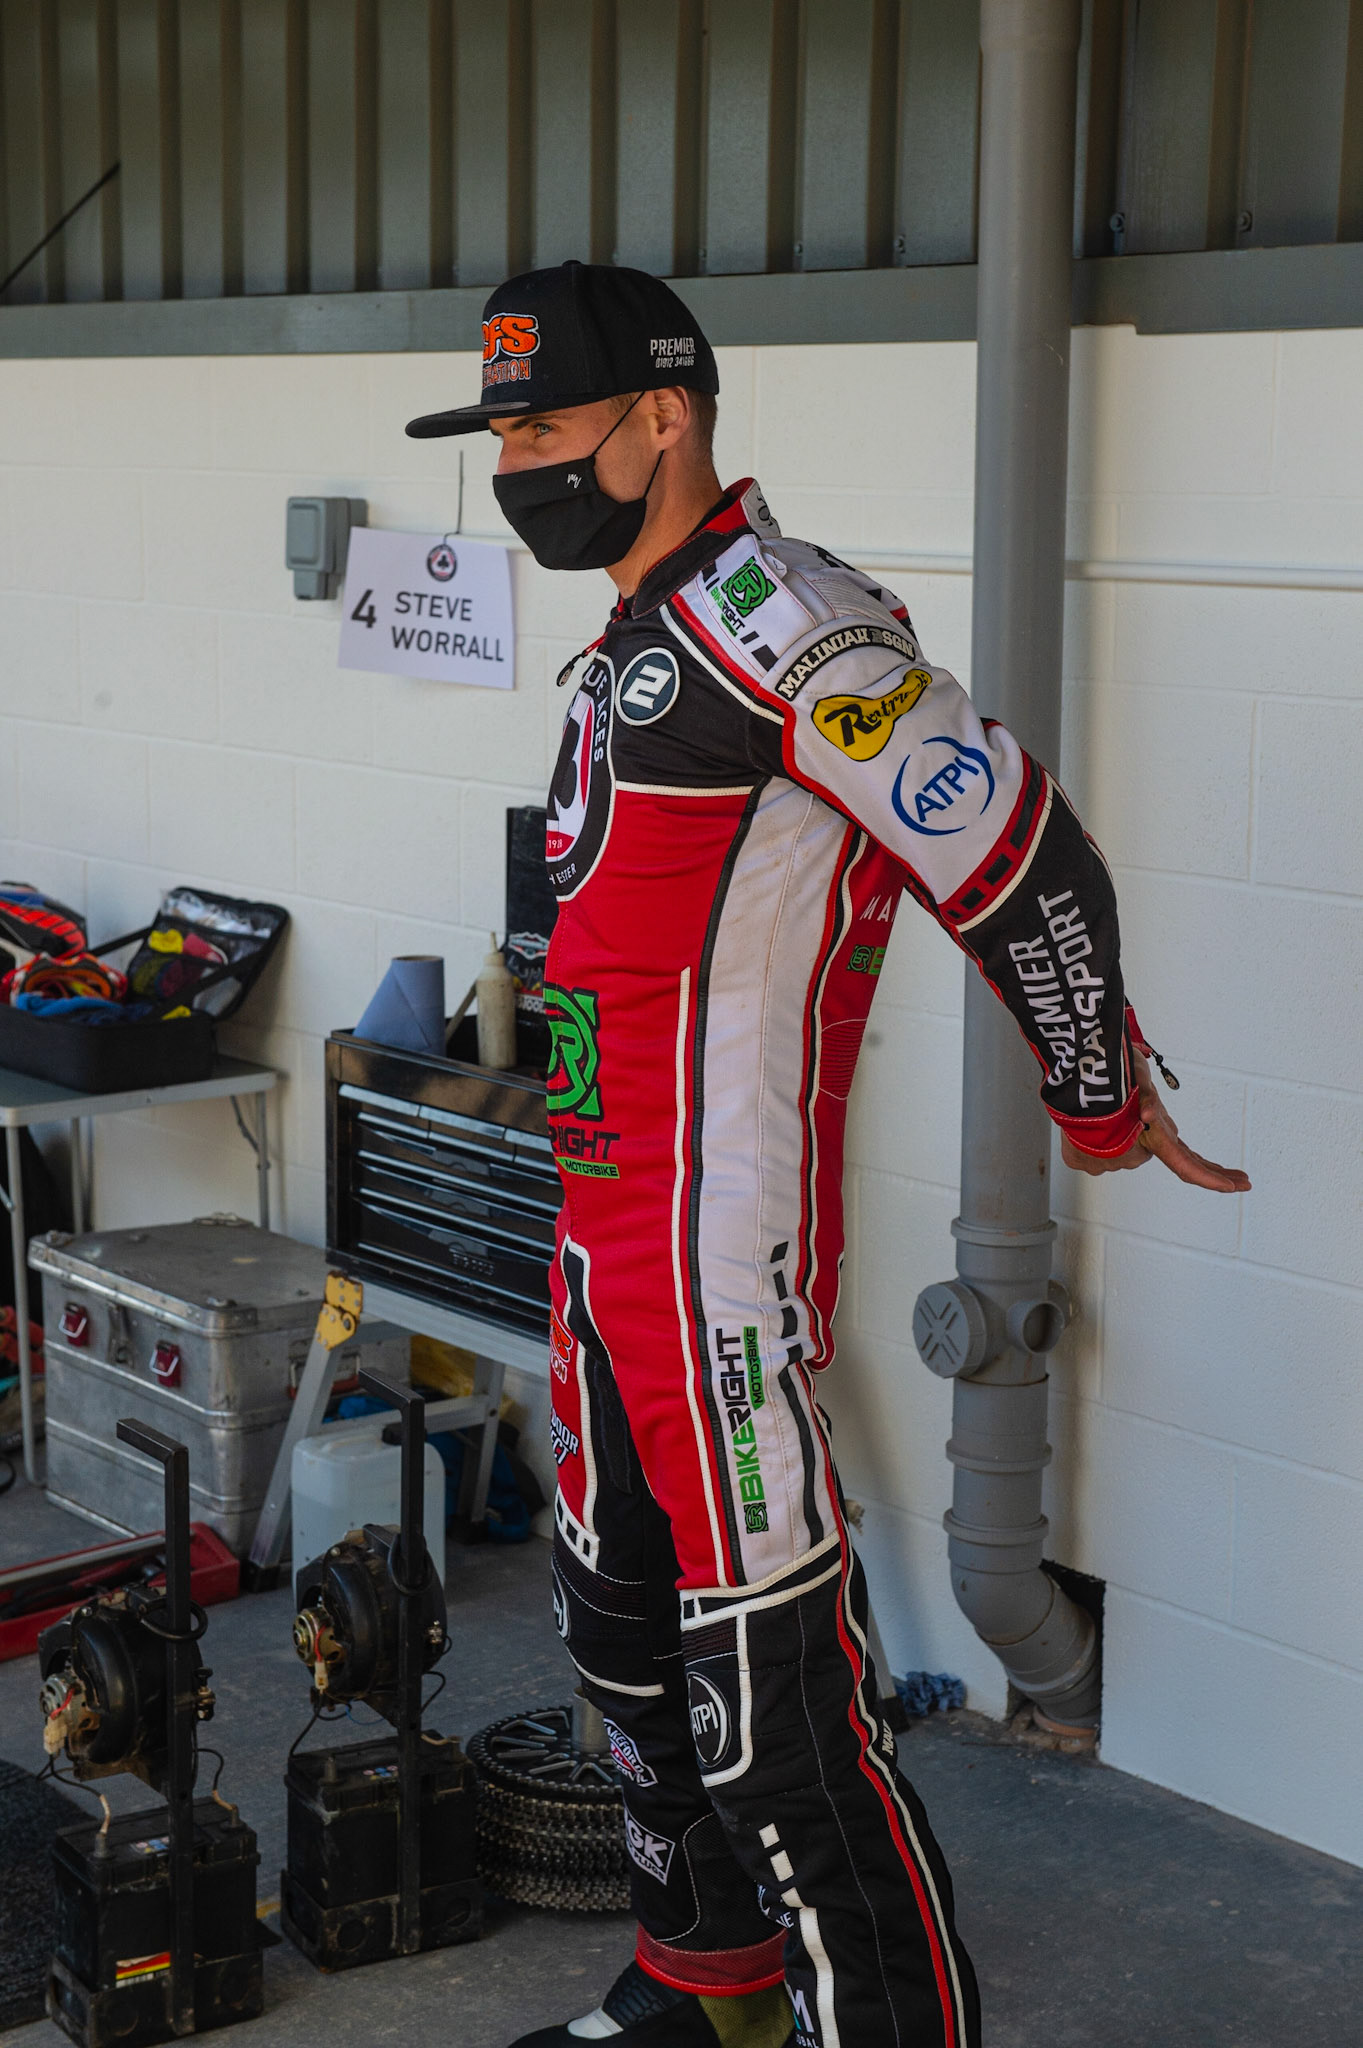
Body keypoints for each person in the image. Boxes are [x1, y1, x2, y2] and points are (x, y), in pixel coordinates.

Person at [406, 261, 1250, 2048]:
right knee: (623, 1668)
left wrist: (1095, 1097)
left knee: (772, 1723)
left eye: (543, 427)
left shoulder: (781, 618)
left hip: (715, 1280)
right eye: (497, 436)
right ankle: (696, 1990)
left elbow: (1019, 851)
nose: (515, 469)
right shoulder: (633, 630)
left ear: (667, 416)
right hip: (595, 1261)